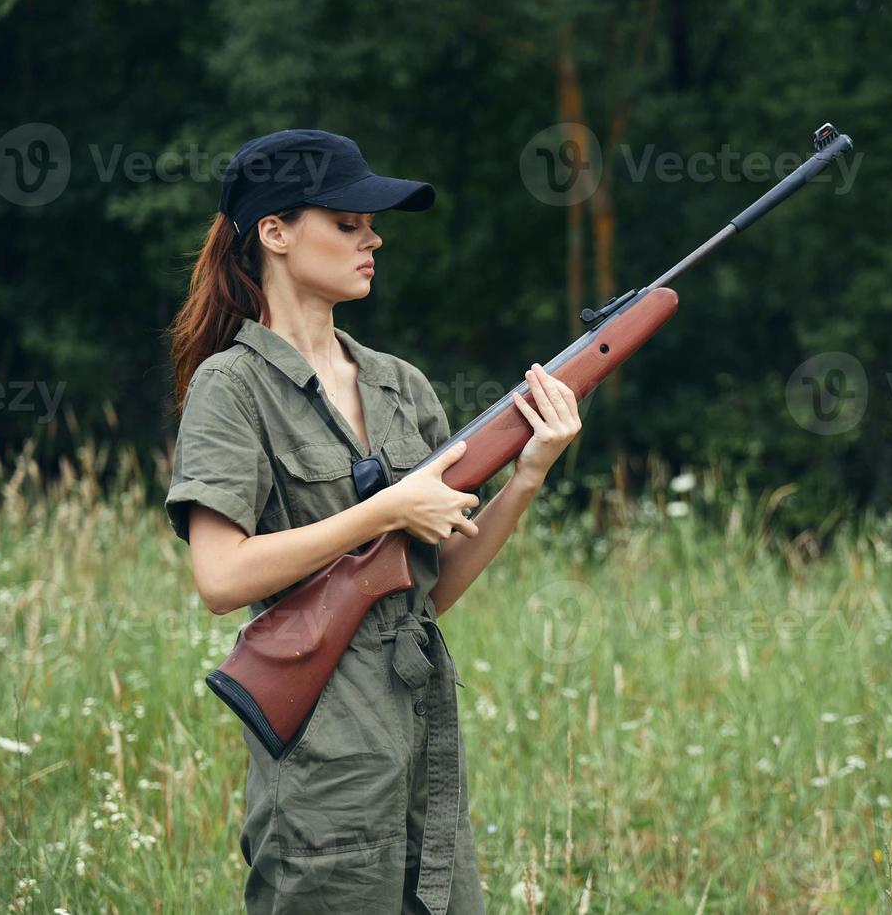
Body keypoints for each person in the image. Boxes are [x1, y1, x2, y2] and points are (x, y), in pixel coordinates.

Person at [164, 129, 581, 914]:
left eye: (371, 225)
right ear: (275, 233)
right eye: (347, 222)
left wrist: (527, 476)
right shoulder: (233, 385)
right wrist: (384, 508)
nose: (372, 238)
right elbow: (220, 578)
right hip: (324, 750)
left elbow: (431, 587)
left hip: (423, 732)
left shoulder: (399, 386)